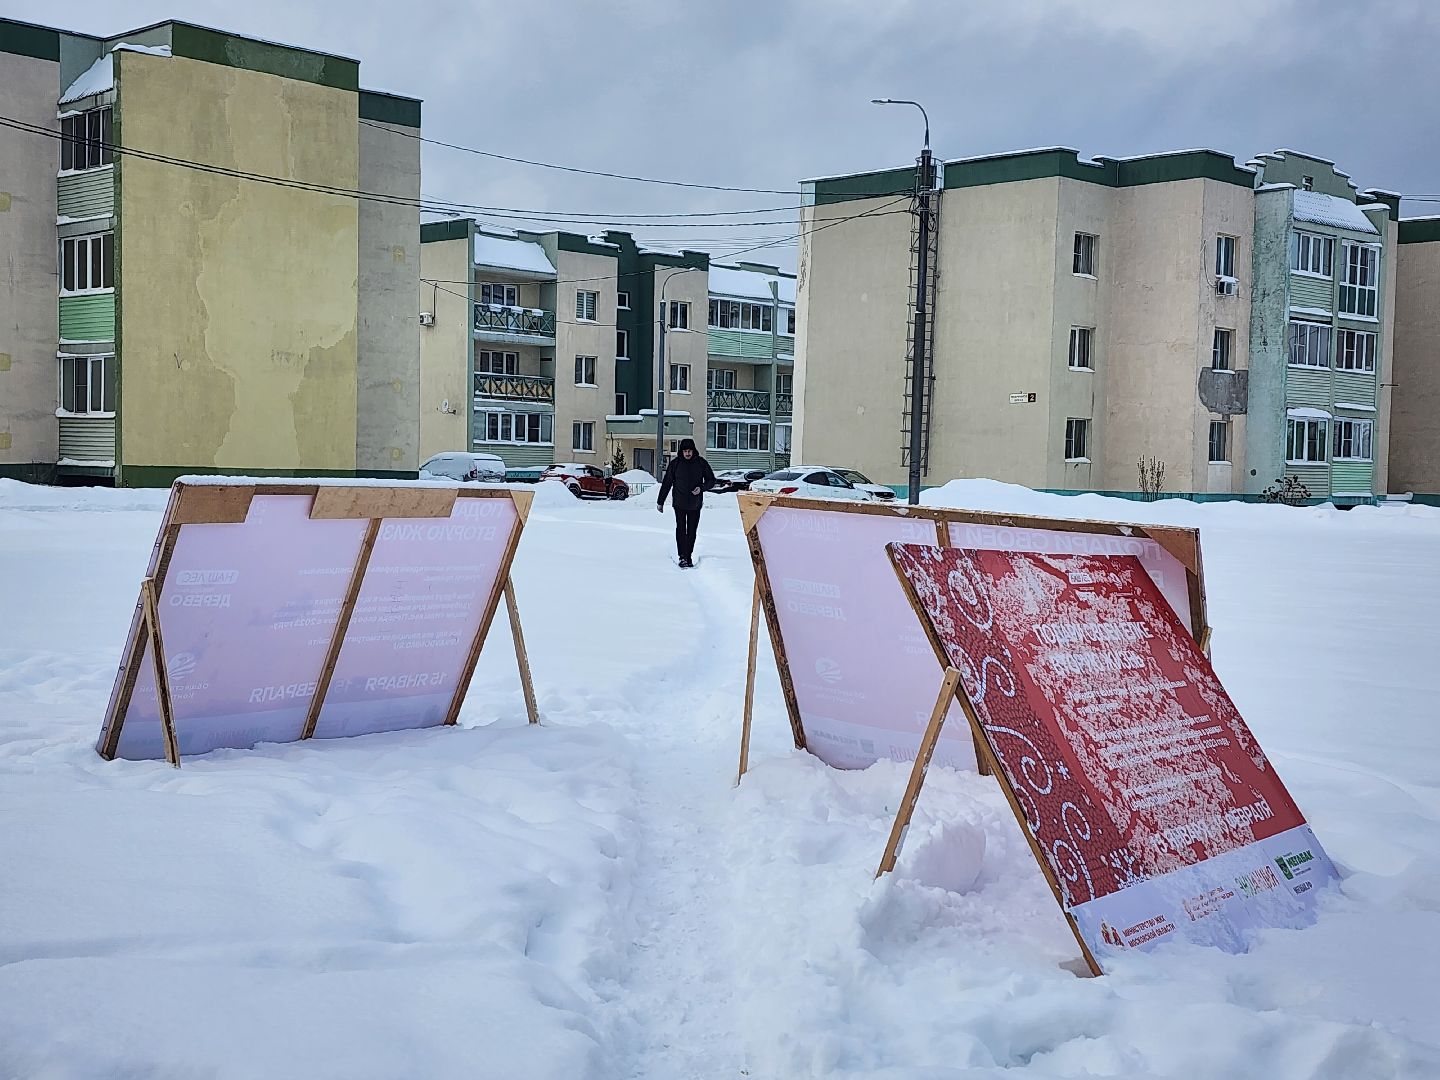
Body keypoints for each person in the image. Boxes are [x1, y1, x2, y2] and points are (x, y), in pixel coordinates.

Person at [656, 438, 716, 567]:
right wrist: (660, 502)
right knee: (681, 530)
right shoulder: (675, 464)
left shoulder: (701, 463)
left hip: (695, 504)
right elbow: (667, 483)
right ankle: (682, 557)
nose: (687, 453)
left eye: (689, 451)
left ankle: (688, 556)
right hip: (679, 503)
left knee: (692, 531)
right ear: (681, 452)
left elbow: (711, 481)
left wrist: (702, 487)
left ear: (693, 451)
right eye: (685, 451)